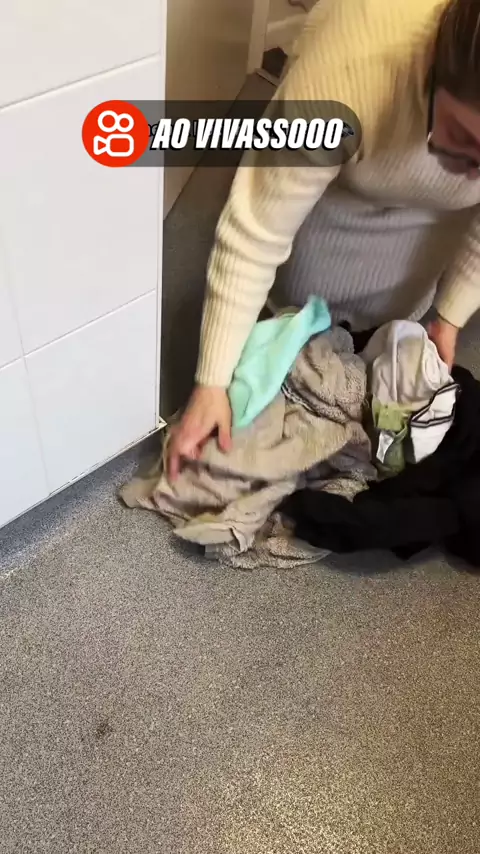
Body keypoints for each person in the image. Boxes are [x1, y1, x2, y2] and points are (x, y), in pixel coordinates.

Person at [168, 0, 480, 479]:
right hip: (326, 227)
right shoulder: (353, 63)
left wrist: (450, 316)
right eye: (465, 138)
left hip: (424, 253)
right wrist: (212, 382)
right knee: (289, 334)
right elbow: (258, 229)